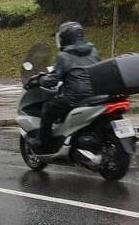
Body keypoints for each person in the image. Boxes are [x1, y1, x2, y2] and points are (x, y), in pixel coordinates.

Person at [29, 21, 100, 154]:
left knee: (48, 108)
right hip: (95, 96)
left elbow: (53, 81)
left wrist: (40, 79)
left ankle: (42, 144)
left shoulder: (64, 56)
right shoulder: (93, 51)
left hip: (74, 99)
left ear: (66, 38)